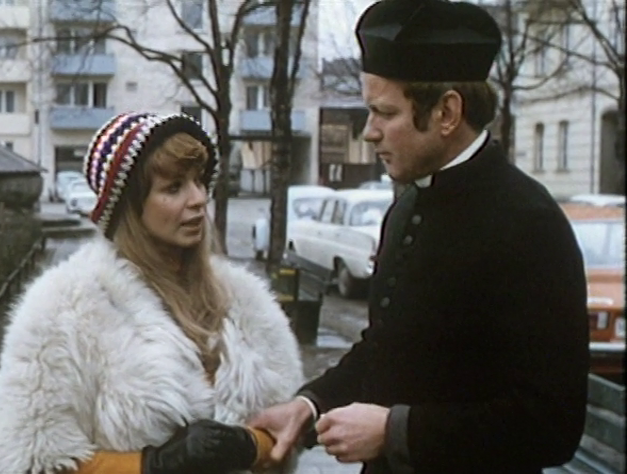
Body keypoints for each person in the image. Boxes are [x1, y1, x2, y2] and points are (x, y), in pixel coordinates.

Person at [249, 0, 590, 473]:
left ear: (446, 112)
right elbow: (385, 349)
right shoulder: (407, 206)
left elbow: (551, 425)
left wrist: (396, 431)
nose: (369, 133)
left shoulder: (529, 223)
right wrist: (309, 406)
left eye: (384, 112)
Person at [0, 112, 305, 474]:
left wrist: (249, 445)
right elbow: (20, 460)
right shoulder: (63, 307)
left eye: (199, 180)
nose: (198, 198)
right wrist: (152, 465)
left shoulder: (247, 301)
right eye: (174, 187)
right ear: (129, 206)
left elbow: (289, 430)